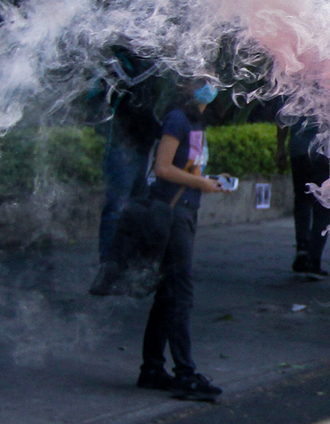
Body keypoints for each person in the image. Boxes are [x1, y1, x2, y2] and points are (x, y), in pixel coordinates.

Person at [139, 76, 234, 403]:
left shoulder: (195, 122)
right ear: (188, 85)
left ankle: (151, 369)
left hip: (184, 211)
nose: (211, 85)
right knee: (180, 292)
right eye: (203, 80)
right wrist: (200, 185)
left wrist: (209, 180)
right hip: (172, 212)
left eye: (212, 80)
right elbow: (162, 168)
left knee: (168, 293)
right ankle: (184, 373)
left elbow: (187, 168)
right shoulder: (178, 119)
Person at [94, 45, 170, 261]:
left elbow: (149, 109)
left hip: (143, 144)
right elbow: (129, 85)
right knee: (117, 206)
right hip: (121, 144)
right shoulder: (119, 64)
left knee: (137, 206)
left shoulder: (150, 64)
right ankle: (108, 261)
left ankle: (128, 258)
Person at [277, 112, 330, 275]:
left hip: (299, 150)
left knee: (302, 200)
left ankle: (302, 249)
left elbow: (282, 119)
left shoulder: (296, 87)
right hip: (324, 152)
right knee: (322, 206)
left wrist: (280, 148)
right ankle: (314, 260)